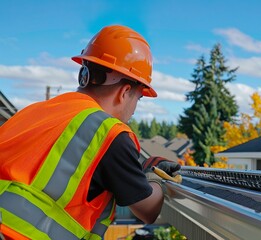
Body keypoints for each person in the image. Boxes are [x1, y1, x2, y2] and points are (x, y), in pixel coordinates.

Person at [0, 25, 180, 240]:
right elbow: (147, 210)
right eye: (138, 98)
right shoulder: (110, 134)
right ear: (124, 92)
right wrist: (152, 175)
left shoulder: (35, 111)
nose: (134, 108)